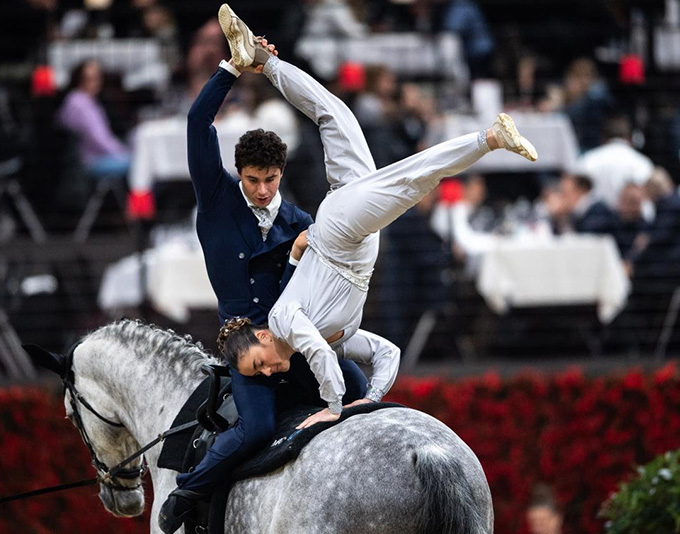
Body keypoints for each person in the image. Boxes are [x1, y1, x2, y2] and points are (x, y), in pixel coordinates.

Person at [214, 4, 536, 429]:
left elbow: (316, 350)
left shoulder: (279, 321)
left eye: (259, 365)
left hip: (341, 233)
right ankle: (263, 60)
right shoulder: (342, 340)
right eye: (262, 375)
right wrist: (370, 397)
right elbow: (389, 354)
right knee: (334, 111)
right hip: (351, 230)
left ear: (261, 338)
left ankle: (490, 137)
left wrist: (332, 407)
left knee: (411, 180)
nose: (270, 373)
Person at [157, 11, 369, 532]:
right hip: (244, 346)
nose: (262, 190)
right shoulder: (217, 199)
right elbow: (196, 123)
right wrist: (233, 67)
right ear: (240, 173)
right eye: (253, 180)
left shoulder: (299, 219)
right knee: (254, 428)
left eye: (271, 179)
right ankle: (190, 493)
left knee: (358, 383)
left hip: (289, 339)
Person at [56, 60, 131, 179]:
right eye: (90, 79)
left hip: (87, 158)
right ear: (79, 80)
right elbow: (99, 139)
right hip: (90, 161)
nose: (95, 83)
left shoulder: (78, 100)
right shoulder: (80, 104)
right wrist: (123, 152)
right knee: (140, 164)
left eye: (97, 78)